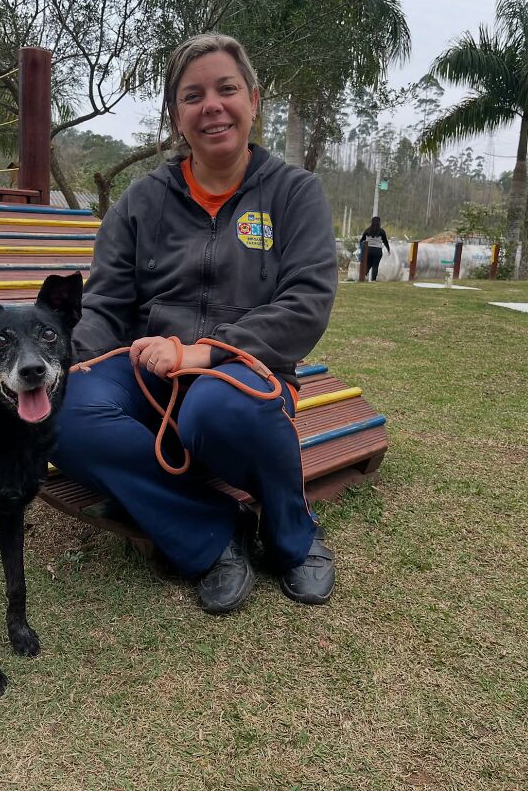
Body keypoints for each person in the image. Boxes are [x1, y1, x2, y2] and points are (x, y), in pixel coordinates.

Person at [53, 34, 338, 614]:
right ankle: (212, 531)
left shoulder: (294, 193)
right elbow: (104, 304)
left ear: (253, 100)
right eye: (193, 95)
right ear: (176, 115)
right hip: (146, 370)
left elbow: (306, 301)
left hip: (244, 374)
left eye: (226, 89)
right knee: (60, 406)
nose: (212, 105)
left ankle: (292, 535)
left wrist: (207, 352)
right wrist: (62, 360)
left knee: (216, 406)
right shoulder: (139, 201)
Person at [360, 216, 390, 281]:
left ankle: (363, 277)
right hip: (377, 250)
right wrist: (388, 249)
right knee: (375, 266)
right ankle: (373, 280)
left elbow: (362, 240)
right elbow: (385, 241)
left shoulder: (367, 230)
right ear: (379, 222)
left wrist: (361, 248)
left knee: (368, 264)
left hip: (368, 250)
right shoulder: (381, 231)